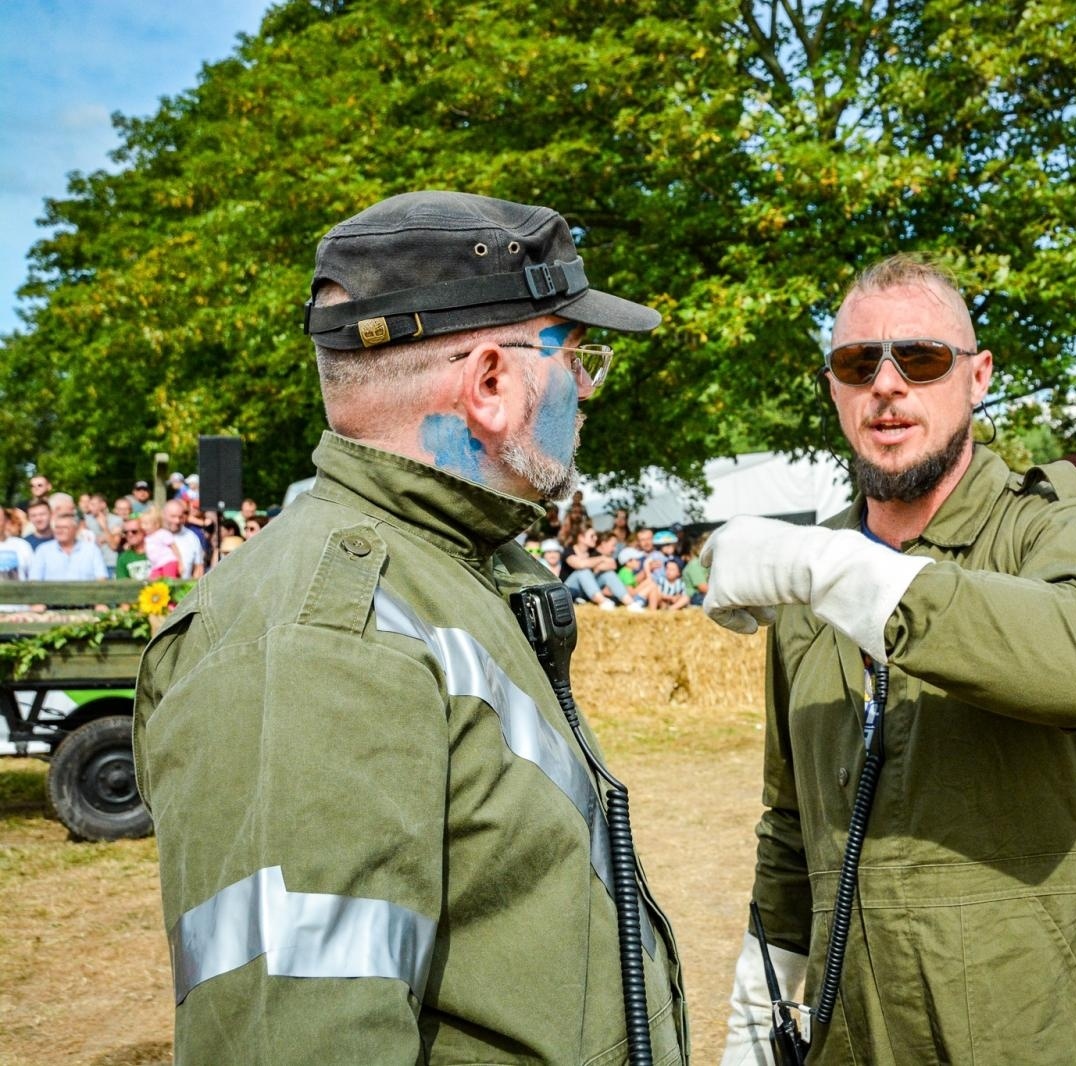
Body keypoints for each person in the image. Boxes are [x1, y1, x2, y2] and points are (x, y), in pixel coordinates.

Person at [133, 191, 687, 1063]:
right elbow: (298, 1039)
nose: (585, 390)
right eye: (575, 356)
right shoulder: (318, 640)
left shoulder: (447, 567)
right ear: (492, 384)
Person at [706, 254, 1076, 1063]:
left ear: (977, 377)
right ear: (834, 387)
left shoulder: (1060, 529)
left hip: (1036, 1034)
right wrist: (758, 995)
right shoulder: (809, 582)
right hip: (853, 1036)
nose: (886, 385)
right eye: (856, 362)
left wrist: (844, 574)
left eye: (920, 358)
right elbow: (791, 823)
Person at [28, 512, 108, 581]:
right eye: (57, 527)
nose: (60, 531)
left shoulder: (91, 550)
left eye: (64, 528)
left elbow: (101, 579)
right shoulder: (43, 550)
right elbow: (34, 580)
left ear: (75, 530)